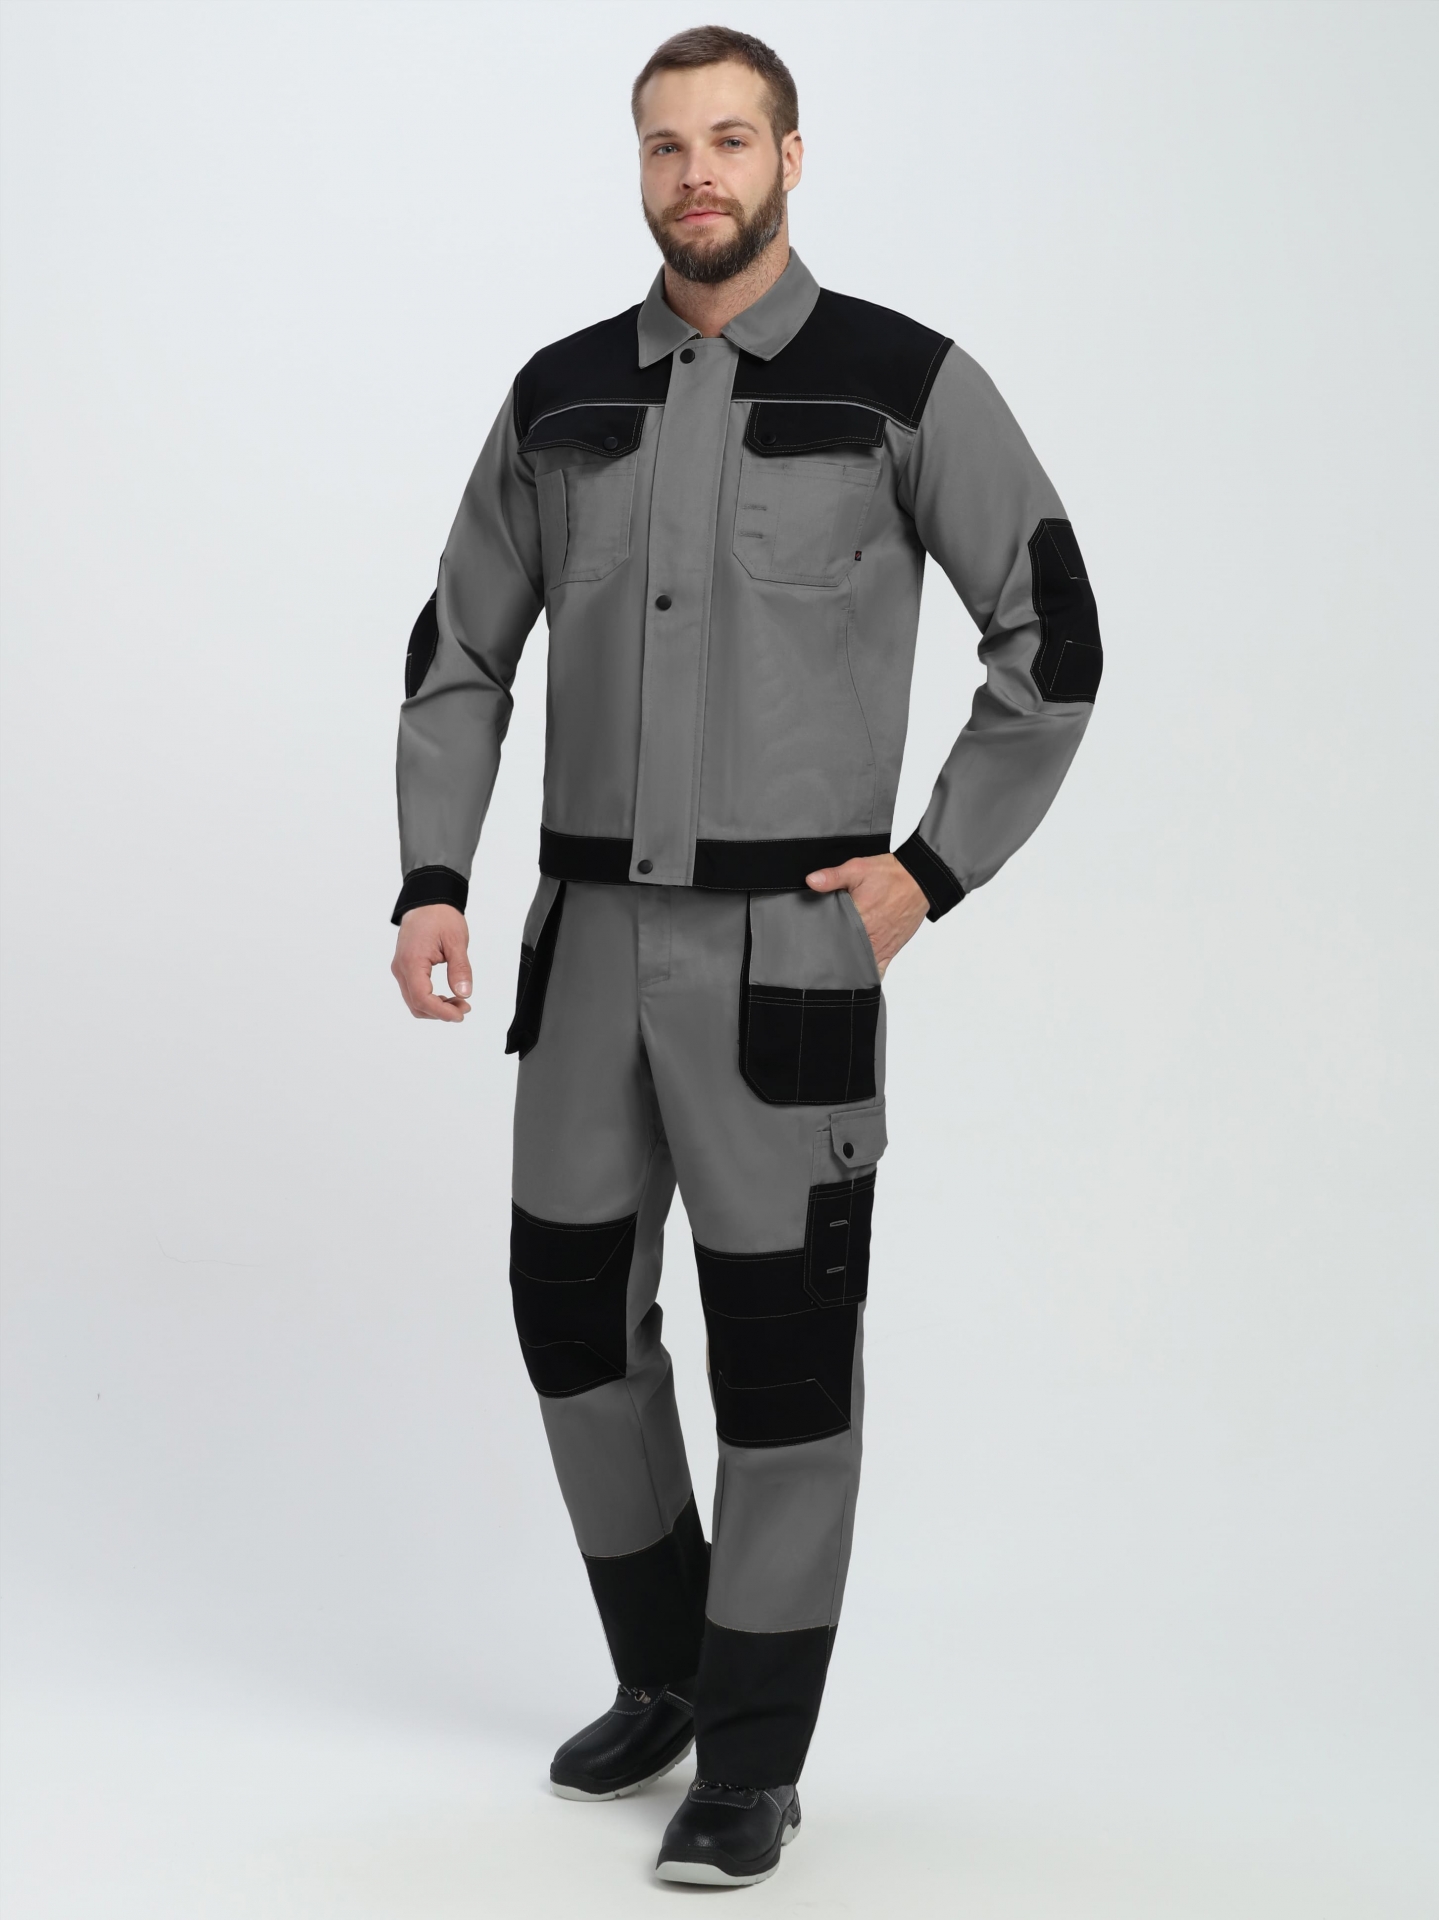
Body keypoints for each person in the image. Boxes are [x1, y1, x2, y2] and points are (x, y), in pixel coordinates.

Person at [389, 23, 1101, 1888]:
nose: (694, 172)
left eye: (728, 139)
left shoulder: (902, 382)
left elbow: (1056, 633)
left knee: (782, 1359)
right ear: (638, 168)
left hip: (790, 957)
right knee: (570, 1323)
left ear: (791, 156)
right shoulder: (558, 398)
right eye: (664, 144)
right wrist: (431, 877)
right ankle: (669, 1675)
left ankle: (754, 1763)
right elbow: (459, 649)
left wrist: (930, 872)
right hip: (583, 951)